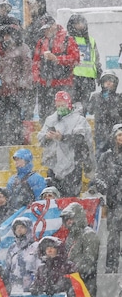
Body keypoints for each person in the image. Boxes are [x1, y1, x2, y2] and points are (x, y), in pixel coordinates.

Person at [38, 90, 94, 197]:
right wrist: (47, 137)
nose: (60, 108)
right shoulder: (50, 120)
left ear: (69, 104)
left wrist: (62, 138)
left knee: (71, 197)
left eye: (63, 105)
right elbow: (41, 138)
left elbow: (79, 139)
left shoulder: (79, 120)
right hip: (54, 165)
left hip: (73, 164)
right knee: (53, 197)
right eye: (58, 105)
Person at [32, 15, 80, 114]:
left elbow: (75, 58)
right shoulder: (41, 42)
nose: (46, 31)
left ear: (54, 25)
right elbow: (36, 62)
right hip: (45, 86)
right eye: (44, 29)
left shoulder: (68, 39)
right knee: (44, 114)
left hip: (63, 84)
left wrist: (57, 59)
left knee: (63, 114)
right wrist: (37, 78)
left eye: (48, 28)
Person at [91, 123, 122, 273]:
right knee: (113, 236)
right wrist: (104, 187)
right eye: (119, 135)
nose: (121, 138)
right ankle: (111, 267)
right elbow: (98, 177)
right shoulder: (106, 156)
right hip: (114, 203)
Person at [60, 201, 99, 297]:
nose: (69, 222)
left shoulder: (88, 234)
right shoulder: (71, 236)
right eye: (66, 219)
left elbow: (90, 260)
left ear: (78, 217)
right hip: (73, 280)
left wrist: (72, 267)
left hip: (85, 281)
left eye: (71, 218)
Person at [67, 14, 101, 104]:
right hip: (73, 77)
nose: (80, 25)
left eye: (82, 23)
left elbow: (96, 58)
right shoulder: (68, 39)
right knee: (72, 105)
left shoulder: (91, 40)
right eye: (77, 23)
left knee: (84, 106)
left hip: (88, 78)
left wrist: (98, 71)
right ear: (72, 25)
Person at [88, 72, 122, 154]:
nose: (108, 83)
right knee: (100, 154)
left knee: (117, 154)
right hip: (100, 132)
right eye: (106, 80)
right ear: (102, 83)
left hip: (115, 132)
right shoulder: (96, 97)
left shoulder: (119, 97)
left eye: (111, 80)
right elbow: (89, 110)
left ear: (115, 83)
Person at [3, 217, 39, 294]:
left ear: (28, 229)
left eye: (22, 227)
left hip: (32, 290)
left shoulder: (36, 247)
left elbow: (40, 269)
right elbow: (8, 269)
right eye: (17, 228)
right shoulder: (12, 248)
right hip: (14, 289)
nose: (19, 230)